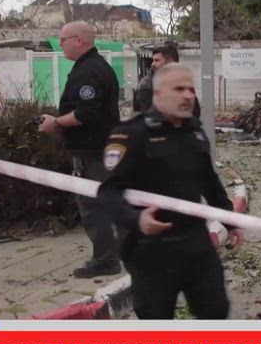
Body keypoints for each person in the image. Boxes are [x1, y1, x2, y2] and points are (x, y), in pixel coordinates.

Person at [96, 63, 243, 319]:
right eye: (179, 89)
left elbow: (210, 182)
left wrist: (230, 221)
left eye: (191, 89)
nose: (187, 95)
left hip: (195, 244)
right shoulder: (131, 135)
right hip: (151, 250)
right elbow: (108, 194)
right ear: (158, 94)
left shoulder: (195, 132)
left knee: (216, 310)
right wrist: (137, 219)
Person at [38, 21, 121, 278]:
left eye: (63, 39)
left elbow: (86, 113)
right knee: (100, 204)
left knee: (93, 207)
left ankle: (106, 260)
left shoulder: (89, 71)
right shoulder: (90, 67)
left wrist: (56, 122)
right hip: (96, 149)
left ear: (79, 41)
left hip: (93, 152)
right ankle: (112, 254)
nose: (60, 43)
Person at [133, 45, 201, 117]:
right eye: (153, 60)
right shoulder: (147, 85)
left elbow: (195, 112)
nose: (152, 64)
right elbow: (148, 116)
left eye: (157, 60)